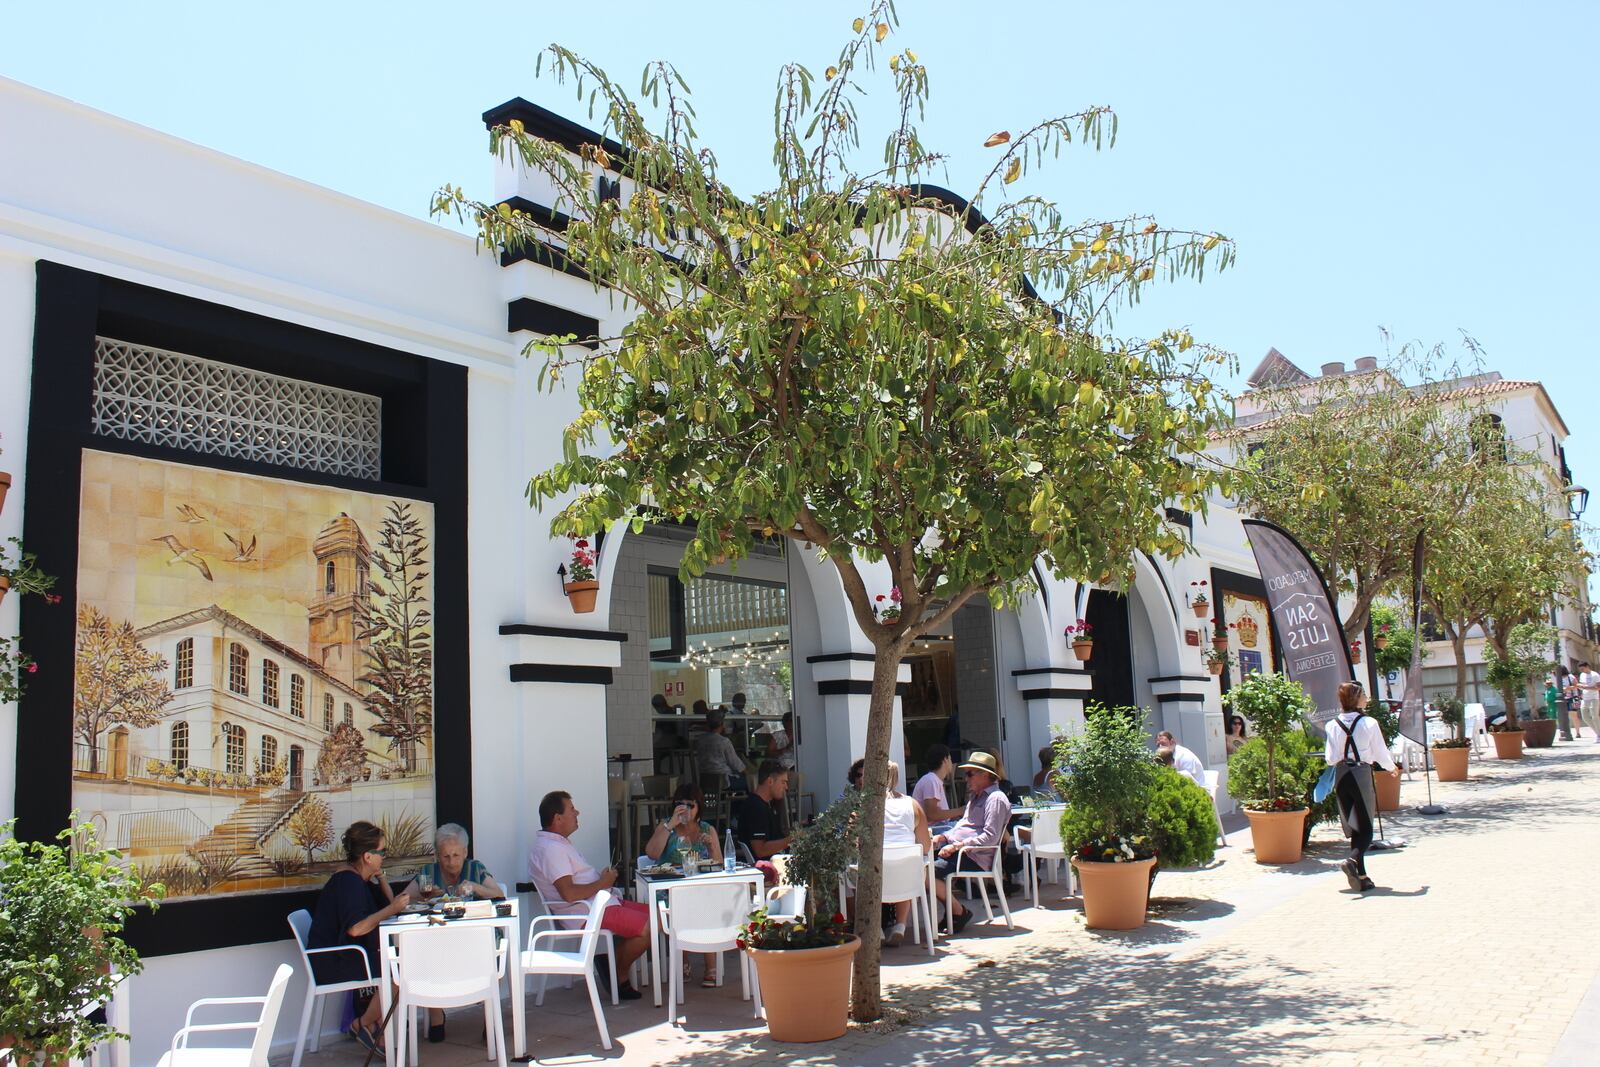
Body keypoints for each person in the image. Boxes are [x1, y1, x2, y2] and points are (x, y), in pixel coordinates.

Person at [527, 791, 649, 1001]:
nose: (577, 813)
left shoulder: (557, 844)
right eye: (572, 810)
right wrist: (603, 883)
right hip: (587, 912)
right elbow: (569, 894)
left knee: (659, 915)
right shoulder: (551, 849)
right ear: (557, 818)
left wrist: (603, 881)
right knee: (651, 925)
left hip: (599, 904)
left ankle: (608, 961)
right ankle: (617, 974)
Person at [306, 820, 413, 1053]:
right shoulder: (349, 883)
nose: (384, 856)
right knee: (400, 970)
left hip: (344, 954)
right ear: (367, 856)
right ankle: (363, 1024)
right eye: (382, 852)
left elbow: (386, 902)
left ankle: (376, 1031)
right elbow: (356, 928)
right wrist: (392, 909)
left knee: (399, 964)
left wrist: (381, 876)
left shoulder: (358, 878)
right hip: (333, 961)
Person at [399, 823, 503, 1041]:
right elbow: (402, 901)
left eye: (456, 855)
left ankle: (490, 1019)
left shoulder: (475, 868)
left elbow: (498, 895)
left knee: (495, 945)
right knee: (421, 948)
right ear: (438, 856)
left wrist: (475, 887)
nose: (451, 862)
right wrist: (424, 897)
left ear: (465, 852)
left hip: (474, 939)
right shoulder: (429, 873)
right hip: (439, 939)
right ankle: (436, 1016)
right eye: (445, 856)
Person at [643, 783, 724, 985]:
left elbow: (720, 864)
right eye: (680, 804)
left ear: (699, 808)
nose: (684, 809)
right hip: (671, 888)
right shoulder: (666, 827)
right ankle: (683, 961)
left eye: (690, 805)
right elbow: (652, 853)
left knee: (707, 902)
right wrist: (670, 824)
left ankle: (710, 964)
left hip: (699, 886)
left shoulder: (707, 829)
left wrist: (711, 846)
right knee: (682, 904)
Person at [1324, 681, 1398, 893]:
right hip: (1360, 773)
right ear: (1356, 698)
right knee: (1365, 828)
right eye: (1363, 693)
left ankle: (1362, 876)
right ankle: (1352, 860)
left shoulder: (1332, 725)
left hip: (1341, 775)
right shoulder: (1369, 723)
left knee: (1355, 826)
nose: (1366, 697)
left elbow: (1330, 758)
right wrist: (1391, 768)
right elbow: (1380, 752)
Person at [929, 751, 1012, 935]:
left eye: (969, 774)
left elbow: (990, 837)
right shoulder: (975, 796)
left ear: (985, 775)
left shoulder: (995, 799)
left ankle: (958, 912)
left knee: (928, 873)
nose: (965, 779)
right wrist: (944, 838)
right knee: (921, 865)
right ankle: (956, 912)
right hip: (961, 851)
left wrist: (957, 846)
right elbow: (962, 826)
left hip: (975, 856)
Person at [879, 759, 932, 948]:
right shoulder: (913, 805)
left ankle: (875, 927)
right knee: (907, 866)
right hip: (907, 880)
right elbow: (926, 846)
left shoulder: (865, 806)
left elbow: (856, 843)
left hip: (878, 878)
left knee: (863, 873)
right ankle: (900, 925)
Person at [734, 761, 794, 859]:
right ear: (770, 781)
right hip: (767, 867)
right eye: (783, 782)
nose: (786, 787)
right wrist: (792, 839)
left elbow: (774, 836)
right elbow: (760, 850)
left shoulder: (766, 804)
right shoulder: (755, 807)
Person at [693, 708, 748, 792]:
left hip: (705, 781)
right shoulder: (724, 741)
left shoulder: (700, 740)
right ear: (721, 724)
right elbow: (735, 763)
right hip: (724, 781)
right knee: (748, 784)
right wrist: (748, 773)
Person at [912, 743, 964, 832]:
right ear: (945, 759)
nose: (952, 762)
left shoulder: (934, 780)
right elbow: (932, 814)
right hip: (935, 830)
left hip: (940, 827)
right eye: (950, 758)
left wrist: (954, 814)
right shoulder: (931, 780)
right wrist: (961, 810)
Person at [1579, 662, 1600, 742]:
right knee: (1585, 717)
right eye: (1580, 670)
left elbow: (1598, 688)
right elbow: (1582, 684)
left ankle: (1598, 735)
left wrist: (1586, 687)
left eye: (1583, 669)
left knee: (1594, 716)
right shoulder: (1582, 675)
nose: (1582, 671)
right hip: (1585, 698)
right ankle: (1598, 733)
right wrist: (1581, 687)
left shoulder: (1595, 675)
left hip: (1594, 698)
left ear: (1587, 667)